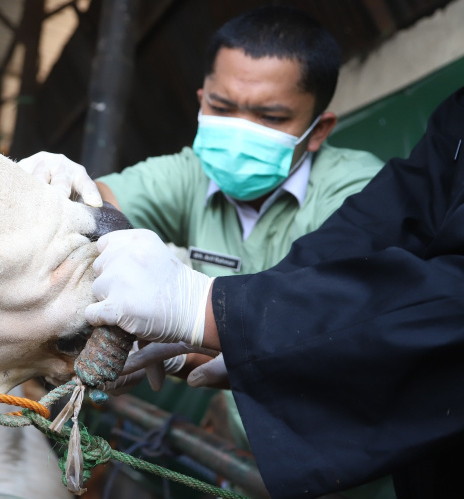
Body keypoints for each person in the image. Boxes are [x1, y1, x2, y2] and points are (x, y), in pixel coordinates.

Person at [85, 84, 464, 499]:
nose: (240, 131)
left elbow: (428, 304)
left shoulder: (348, 182)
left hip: (345, 457)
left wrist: (207, 311)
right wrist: (223, 333)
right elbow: (361, 239)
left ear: (319, 129)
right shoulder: (454, 122)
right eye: (223, 107)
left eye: (271, 117)